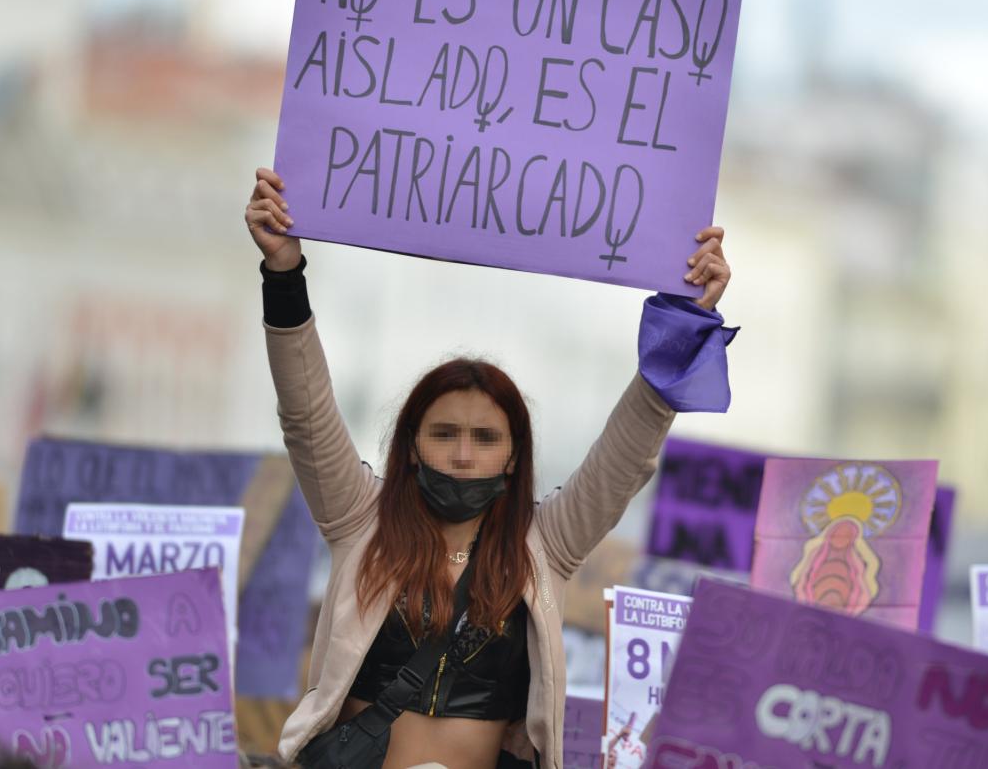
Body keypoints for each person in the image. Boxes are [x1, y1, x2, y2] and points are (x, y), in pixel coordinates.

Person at [244, 167, 735, 769]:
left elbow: (624, 459)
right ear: (411, 445)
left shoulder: (545, 546)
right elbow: (307, 413)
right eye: (444, 433)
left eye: (485, 437)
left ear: (513, 455)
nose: (462, 452)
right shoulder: (357, 519)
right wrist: (283, 273)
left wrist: (684, 323)